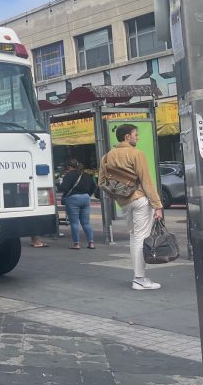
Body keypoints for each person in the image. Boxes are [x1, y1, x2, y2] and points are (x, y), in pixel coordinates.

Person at [99, 123, 164, 290]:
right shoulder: (136, 154)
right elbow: (147, 182)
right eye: (136, 134)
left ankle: (138, 277)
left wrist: (119, 195)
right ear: (127, 137)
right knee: (141, 238)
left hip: (124, 202)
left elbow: (101, 182)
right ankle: (139, 279)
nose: (138, 137)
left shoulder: (107, 157)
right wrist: (157, 205)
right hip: (141, 199)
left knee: (135, 238)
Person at [58, 159, 98, 250]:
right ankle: (91, 243)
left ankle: (76, 244)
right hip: (85, 198)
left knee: (74, 223)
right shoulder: (87, 175)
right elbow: (94, 186)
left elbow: (63, 188)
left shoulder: (69, 175)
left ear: (69, 167)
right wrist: (87, 194)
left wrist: (60, 186)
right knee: (86, 223)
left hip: (73, 199)